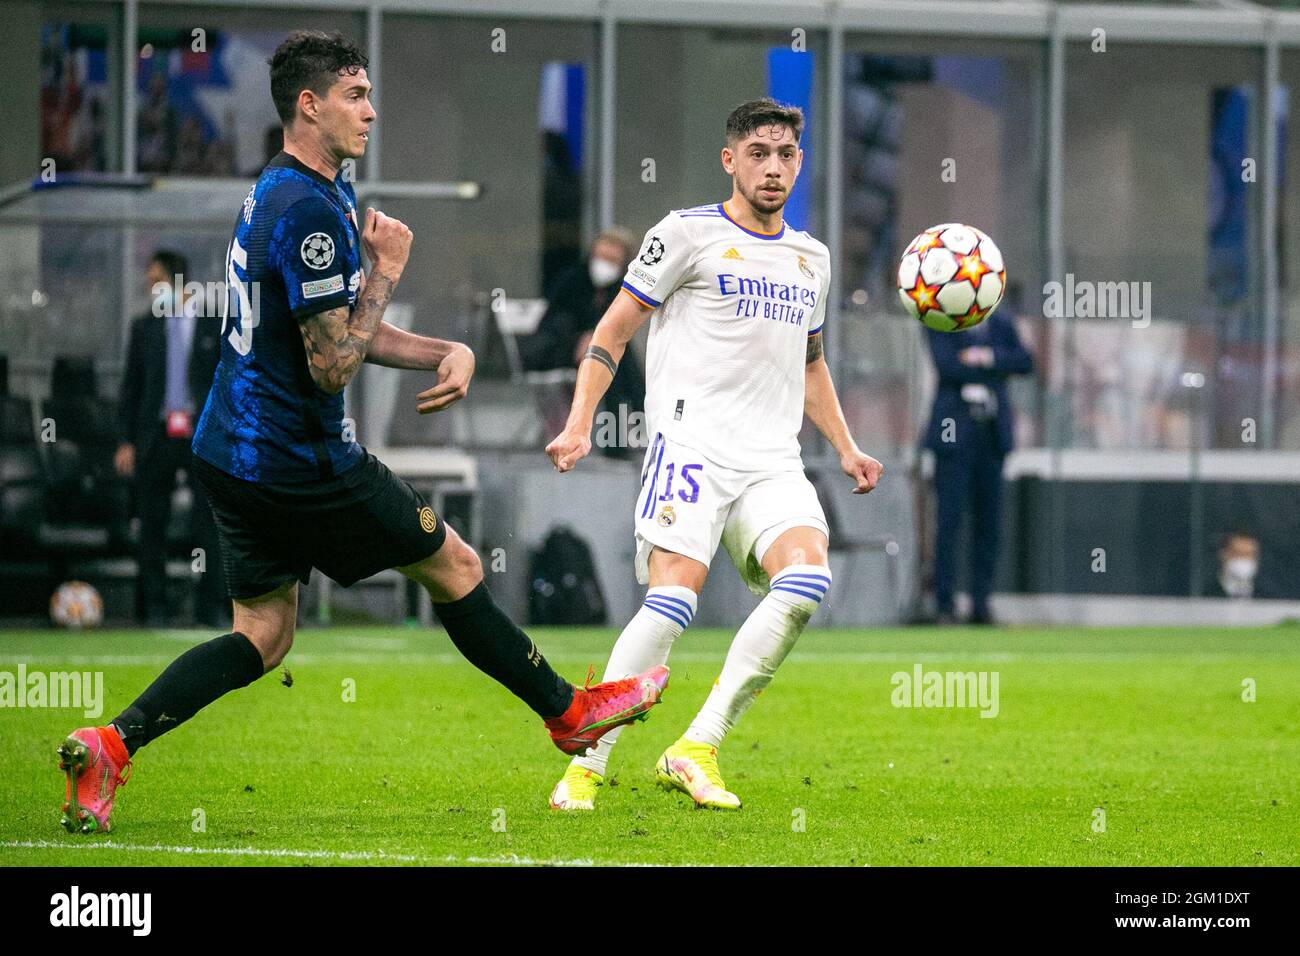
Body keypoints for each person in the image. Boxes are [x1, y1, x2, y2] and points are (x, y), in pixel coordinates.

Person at [56, 30, 667, 835]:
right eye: (354, 95)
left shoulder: (292, 186)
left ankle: (112, 744)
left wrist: (441, 351)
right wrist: (389, 269)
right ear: (308, 105)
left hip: (228, 454)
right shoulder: (310, 211)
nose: (372, 111)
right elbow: (332, 365)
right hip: (297, 459)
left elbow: (340, 328)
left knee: (263, 636)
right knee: (452, 562)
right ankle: (569, 713)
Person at [545, 98, 884, 811]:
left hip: (772, 459)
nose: (772, 167)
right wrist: (580, 422)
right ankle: (587, 765)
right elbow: (611, 330)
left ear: (800, 163)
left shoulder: (811, 258)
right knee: (671, 604)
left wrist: (848, 448)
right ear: (730, 160)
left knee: (807, 582)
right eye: (757, 153)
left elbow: (811, 365)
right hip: (690, 445)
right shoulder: (686, 233)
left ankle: (695, 744)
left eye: (786, 155)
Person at [115, 249, 225, 627]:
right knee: (152, 523)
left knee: (208, 523)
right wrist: (126, 441)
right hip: (156, 435)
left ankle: (211, 606)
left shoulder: (214, 323)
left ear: (177, 281)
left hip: (202, 435)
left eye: (156, 281)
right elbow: (130, 388)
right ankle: (154, 609)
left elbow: (229, 383)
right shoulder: (144, 328)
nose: (151, 289)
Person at [922, 303, 1033, 625]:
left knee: (989, 524)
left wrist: (985, 357)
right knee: (949, 522)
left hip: (991, 436)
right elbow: (948, 367)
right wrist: (997, 364)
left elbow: (1025, 362)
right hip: (953, 437)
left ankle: (981, 605)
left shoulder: (1001, 322)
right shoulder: (940, 320)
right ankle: (944, 604)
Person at [521, 229, 646, 449]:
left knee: (617, 358)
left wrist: (592, 338)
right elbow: (554, 325)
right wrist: (582, 339)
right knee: (611, 358)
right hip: (553, 351)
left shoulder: (619, 290)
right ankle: (636, 423)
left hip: (591, 353)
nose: (605, 265)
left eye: (612, 261)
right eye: (602, 258)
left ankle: (636, 421)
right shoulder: (573, 280)